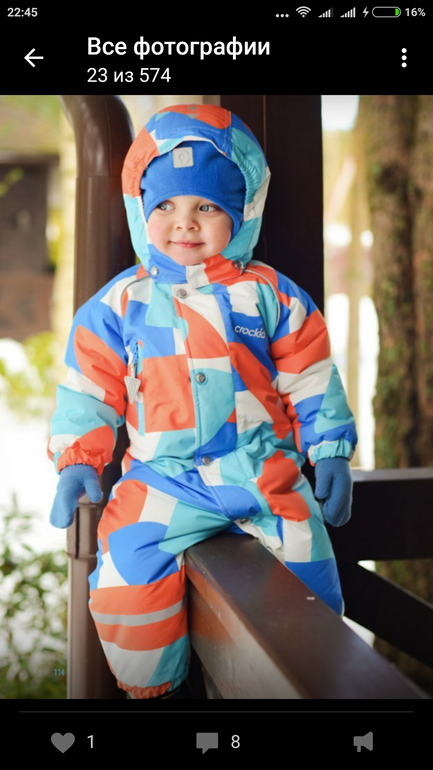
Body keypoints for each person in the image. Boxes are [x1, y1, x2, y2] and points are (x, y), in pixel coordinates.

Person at [48, 103, 358, 700]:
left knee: (308, 566)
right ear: (141, 210)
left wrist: (331, 451)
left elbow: (310, 376)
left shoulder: (270, 294)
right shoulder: (121, 303)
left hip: (263, 471)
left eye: (207, 207)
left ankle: (305, 679)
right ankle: (156, 689)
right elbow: (89, 387)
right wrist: (78, 460)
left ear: (241, 213)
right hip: (162, 479)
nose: (184, 223)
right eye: (165, 205)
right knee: (124, 570)